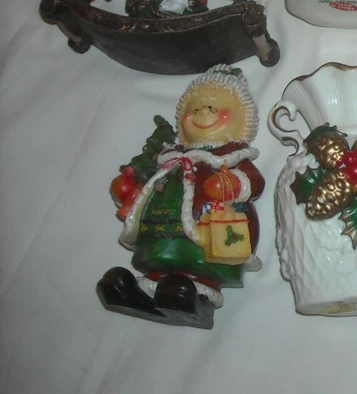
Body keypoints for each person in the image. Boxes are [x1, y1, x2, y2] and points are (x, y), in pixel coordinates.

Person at [96, 65, 263, 329]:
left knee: (201, 262)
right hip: (162, 231)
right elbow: (148, 185)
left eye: (214, 107)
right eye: (194, 108)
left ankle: (198, 298)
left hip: (211, 232)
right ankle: (146, 290)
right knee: (158, 257)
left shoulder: (230, 159)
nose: (202, 112)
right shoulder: (170, 160)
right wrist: (130, 189)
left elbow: (254, 182)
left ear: (242, 122)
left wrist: (232, 184)